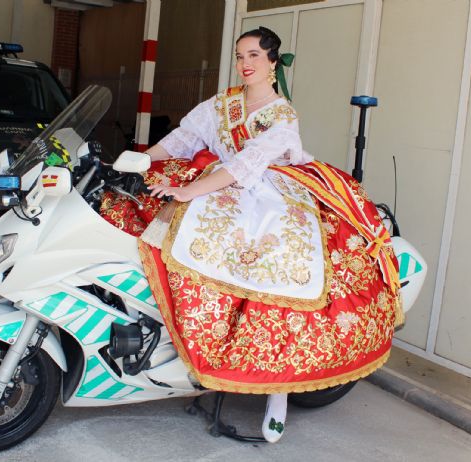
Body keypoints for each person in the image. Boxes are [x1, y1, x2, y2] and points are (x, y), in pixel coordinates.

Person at [101, 26, 403, 443]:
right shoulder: (224, 102)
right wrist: (140, 158)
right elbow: (185, 138)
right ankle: (178, 338)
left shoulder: (282, 115)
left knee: (278, 271)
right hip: (217, 184)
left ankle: (278, 391)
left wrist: (189, 190)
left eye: (255, 56)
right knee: (157, 227)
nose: (245, 64)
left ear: (273, 63)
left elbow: (245, 165)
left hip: (271, 193)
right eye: (241, 56)